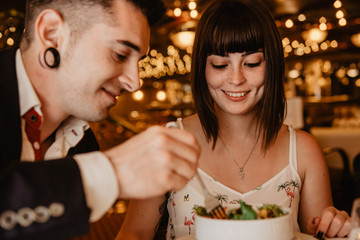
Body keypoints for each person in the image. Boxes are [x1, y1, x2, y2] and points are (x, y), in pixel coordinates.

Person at [116, 0, 351, 239]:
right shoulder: (169, 144)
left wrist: (334, 228)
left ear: (272, 65)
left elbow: (320, 232)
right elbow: (132, 234)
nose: (236, 79)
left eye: (251, 63)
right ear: (202, 69)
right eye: (220, 65)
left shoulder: (303, 150)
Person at [0, 0, 201, 239]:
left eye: (139, 61)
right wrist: (112, 171)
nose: (134, 81)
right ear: (52, 33)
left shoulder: (82, 142)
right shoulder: (92, 161)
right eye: (120, 54)